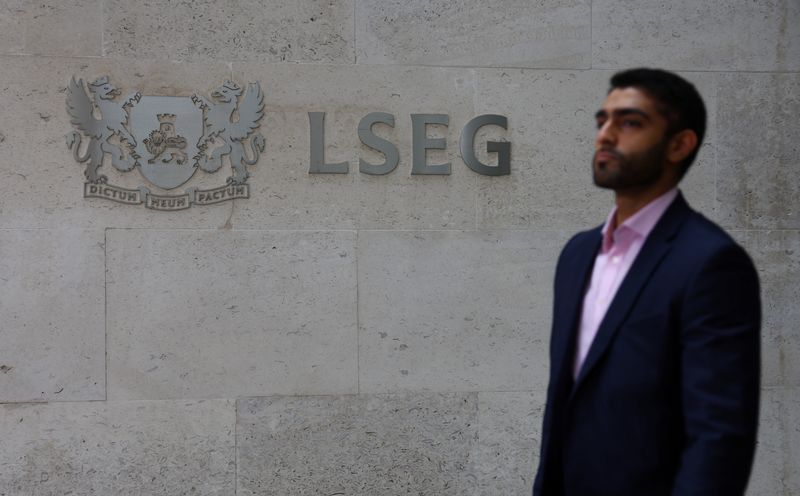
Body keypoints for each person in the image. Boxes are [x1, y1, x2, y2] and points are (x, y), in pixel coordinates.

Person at [533, 68, 761, 495]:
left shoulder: (710, 262)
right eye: (603, 120)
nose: (605, 134)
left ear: (679, 144)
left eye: (630, 122)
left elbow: (720, 435)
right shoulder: (578, 255)